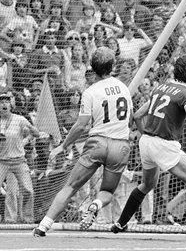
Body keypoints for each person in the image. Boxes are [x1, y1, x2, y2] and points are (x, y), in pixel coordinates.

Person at [110, 56, 186, 242]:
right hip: (164, 144)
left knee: (147, 185)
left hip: (146, 142)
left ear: (175, 71)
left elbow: (138, 114)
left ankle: (120, 223)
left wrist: (147, 135)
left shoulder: (160, 88)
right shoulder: (185, 94)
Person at [33, 47, 133, 237]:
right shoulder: (124, 88)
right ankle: (96, 204)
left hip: (97, 144)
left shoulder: (90, 92)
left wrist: (63, 146)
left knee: (70, 187)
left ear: (92, 68)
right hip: (120, 145)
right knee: (108, 191)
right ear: (112, 67)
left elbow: (80, 126)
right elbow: (129, 119)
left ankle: (43, 226)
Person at [0, 93, 40, 224]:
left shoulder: (20, 119)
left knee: (28, 190)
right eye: (1, 102)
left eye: (6, 102)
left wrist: (30, 132)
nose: (4, 104)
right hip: (1, 161)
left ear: (11, 105)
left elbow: (36, 134)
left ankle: (28, 218)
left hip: (19, 161)